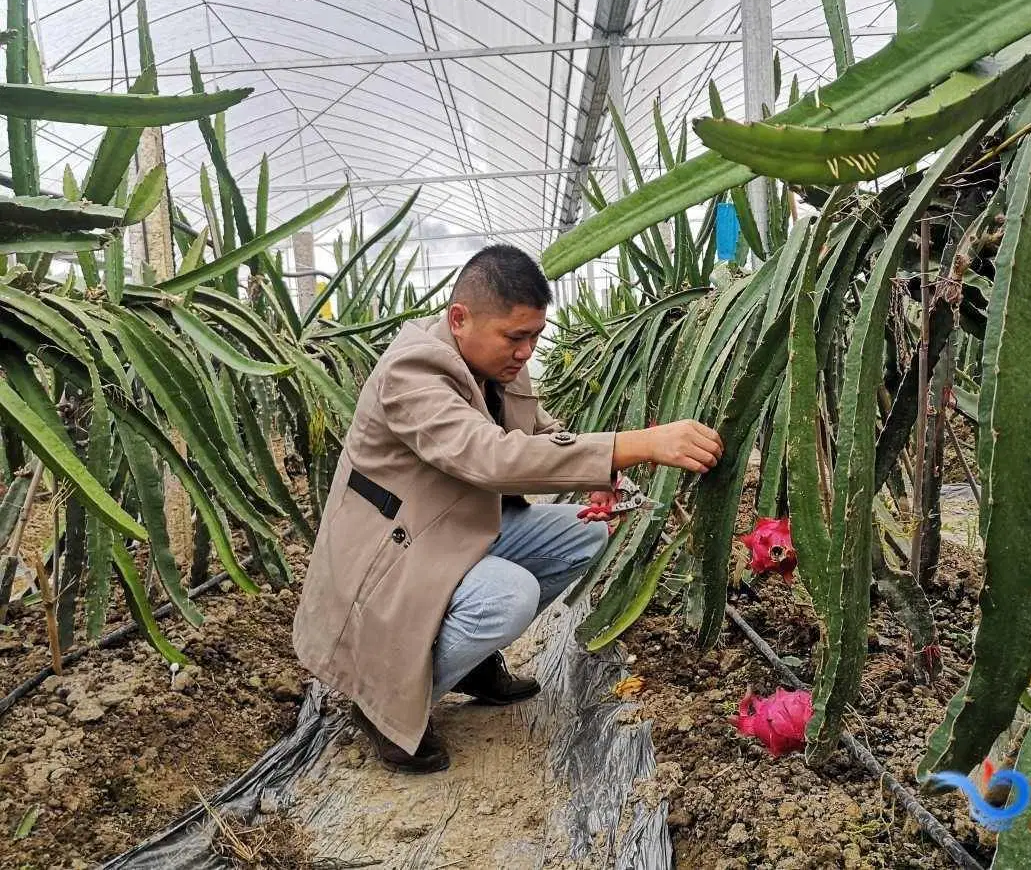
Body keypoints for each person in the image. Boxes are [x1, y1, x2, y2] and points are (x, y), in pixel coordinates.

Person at [293, 244, 723, 773]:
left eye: (534, 336)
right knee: (507, 597)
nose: (526, 351)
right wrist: (634, 443)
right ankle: (382, 702)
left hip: (456, 526)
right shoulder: (412, 371)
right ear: (459, 318)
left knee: (584, 535)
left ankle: (467, 665)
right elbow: (488, 456)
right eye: (515, 337)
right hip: (397, 549)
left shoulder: (497, 361)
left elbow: (538, 428)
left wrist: (601, 473)